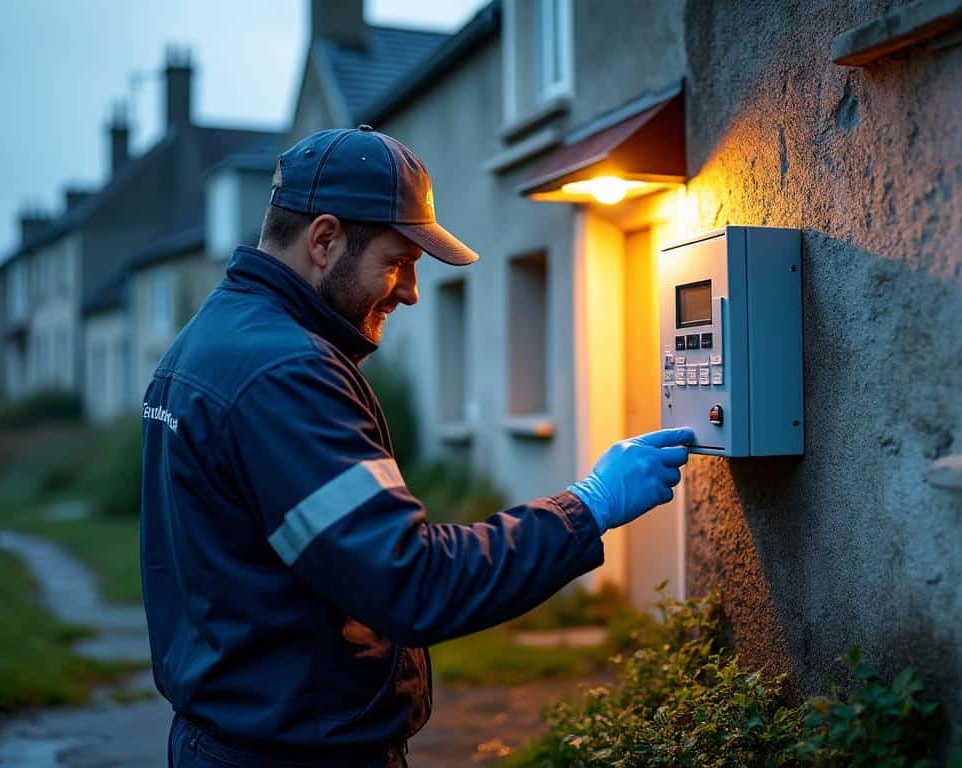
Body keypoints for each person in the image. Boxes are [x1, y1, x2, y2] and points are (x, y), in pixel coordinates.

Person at [140, 125, 694, 768]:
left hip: (233, 736)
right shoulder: (285, 375)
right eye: (397, 261)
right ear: (324, 241)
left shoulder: (208, 342)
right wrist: (588, 507)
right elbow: (410, 581)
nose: (410, 291)